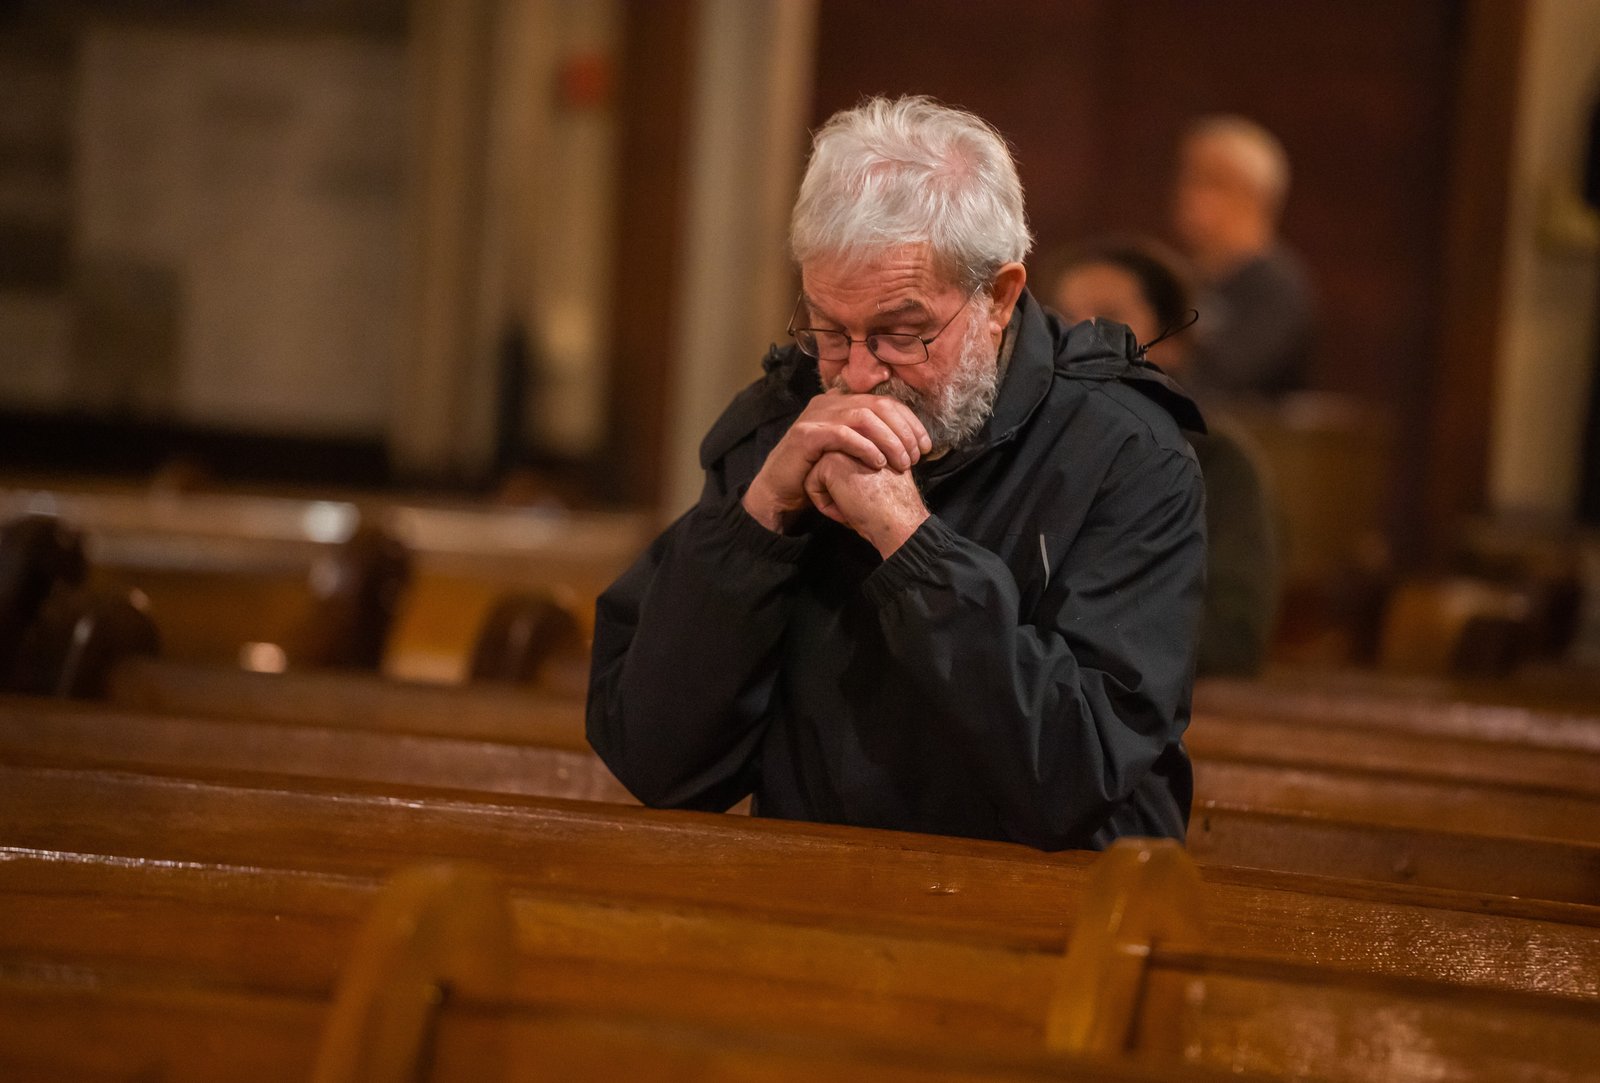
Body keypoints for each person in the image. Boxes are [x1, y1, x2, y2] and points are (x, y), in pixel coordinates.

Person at [587, 96, 1206, 852]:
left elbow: (1075, 777)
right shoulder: (782, 426)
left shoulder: (1128, 455)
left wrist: (909, 543)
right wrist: (756, 523)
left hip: (1045, 932)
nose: (857, 375)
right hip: (807, 912)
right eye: (827, 329)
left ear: (999, 298)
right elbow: (656, 760)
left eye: (901, 334)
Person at [1052, 238, 1280, 676]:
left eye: (1110, 319)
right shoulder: (1033, 449)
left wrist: (1067, 636)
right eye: (1061, 319)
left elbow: (1234, 634)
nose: (1076, 339)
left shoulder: (1219, 464)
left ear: (1173, 340)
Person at [1173, 115, 1316, 401]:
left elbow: (1219, 381)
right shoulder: (1186, 276)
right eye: (1185, 177)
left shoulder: (1276, 287)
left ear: (1253, 195)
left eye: (1209, 182)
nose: (1186, 193)